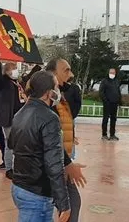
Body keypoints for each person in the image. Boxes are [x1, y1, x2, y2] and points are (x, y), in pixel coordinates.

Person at [9, 71, 71, 222]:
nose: (58, 91)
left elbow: (11, 144)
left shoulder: (19, 114)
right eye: (56, 87)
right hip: (36, 193)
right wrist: (63, 203)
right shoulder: (50, 118)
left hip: (19, 187)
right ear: (49, 93)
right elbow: (54, 164)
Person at [45, 58, 83, 222]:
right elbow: (49, 138)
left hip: (60, 161)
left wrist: (70, 136)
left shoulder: (60, 96)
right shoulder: (47, 100)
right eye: (66, 70)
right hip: (53, 164)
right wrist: (68, 163)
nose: (71, 74)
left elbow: (61, 126)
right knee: (69, 204)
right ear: (53, 74)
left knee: (70, 205)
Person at [0, 59, 26, 180]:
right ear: (7, 71)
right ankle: (9, 168)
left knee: (18, 143)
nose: (16, 71)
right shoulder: (4, 82)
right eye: (14, 68)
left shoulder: (16, 83)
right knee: (10, 144)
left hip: (18, 118)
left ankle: (16, 166)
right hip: (8, 118)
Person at [99, 68, 122, 141]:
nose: (112, 74)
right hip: (107, 103)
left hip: (114, 103)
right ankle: (104, 134)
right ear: (108, 73)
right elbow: (101, 92)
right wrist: (105, 101)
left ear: (115, 73)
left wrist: (119, 100)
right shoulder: (104, 81)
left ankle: (112, 134)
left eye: (113, 73)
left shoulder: (116, 81)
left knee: (113, 119)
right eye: (110, 72)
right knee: (105, 119)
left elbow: (118, 92)